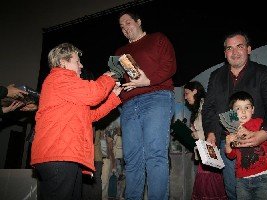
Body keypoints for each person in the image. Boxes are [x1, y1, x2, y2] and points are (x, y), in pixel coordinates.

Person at [30, 42, 122, 200]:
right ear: (62, 62)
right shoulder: (59, 78)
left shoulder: (67, 88)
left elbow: (91, 115)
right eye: (77, 61)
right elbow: (93, 94)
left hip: (64, 155)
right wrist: (108, 78)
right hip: (58, 155)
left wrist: (113, 97)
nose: (81, 65)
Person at [202, 31, 267, 200]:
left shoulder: (263, 73)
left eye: (239, 46)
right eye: (229, 48)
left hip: (264, 147)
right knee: (234, 194)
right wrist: (211, 133)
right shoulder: (215, 76)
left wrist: (264, 133)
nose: (235, 52)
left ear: (249, 49)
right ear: (225, 53)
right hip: (230, 148)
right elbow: (209, 109)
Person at [115, 10, 176, 199]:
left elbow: (170, 66)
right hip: (128, 105)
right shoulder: (119, 53)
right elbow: (117, 80)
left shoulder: (157, 38)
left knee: (155, 154)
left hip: (156, 97)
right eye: (121, 26)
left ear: (139, 21)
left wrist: (147, 81)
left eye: (128, 23)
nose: (125, 28)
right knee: (132, 159)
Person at [225, 91, 267, 199]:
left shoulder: (259, 122)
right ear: (232, 113)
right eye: (238, 108)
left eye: (247, 107)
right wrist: (228, 144)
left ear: (252, 110)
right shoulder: (232, 130)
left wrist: (250, 133)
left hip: (263, 175)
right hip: (241, 179)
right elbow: (231, 155)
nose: (243, 111)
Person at [184, 81, 227, 200]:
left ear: (195, 91)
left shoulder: (205, 105)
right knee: (206, 185)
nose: (185, 97)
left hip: (210, 151)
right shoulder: (198, 109)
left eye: (187, 93)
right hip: (204, 152)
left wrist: (195, 133)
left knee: (210, 186)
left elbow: (213, 127)